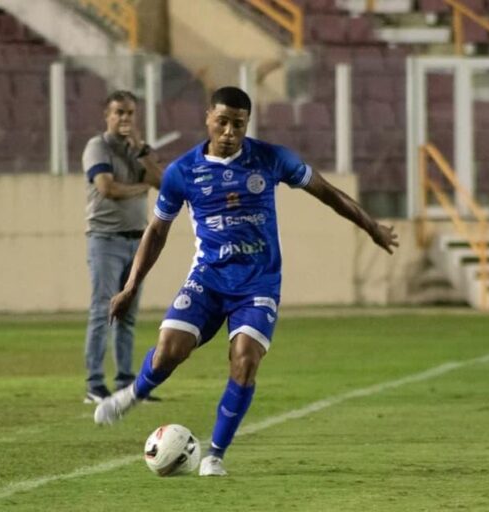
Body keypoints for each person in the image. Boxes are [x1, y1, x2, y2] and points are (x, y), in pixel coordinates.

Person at [94, 86, 399, 476]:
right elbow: (156, 231)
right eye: (221, 122)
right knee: (170, 348)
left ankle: (215, 455)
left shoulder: (270, 159)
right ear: (207, 118)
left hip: (258, 284)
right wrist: (130, 286)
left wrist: (370, 226)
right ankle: (133, 394)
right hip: (208, 279)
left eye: (238, 124)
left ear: (247, 125)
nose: (228, 132)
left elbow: (326, 192)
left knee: (245, 360)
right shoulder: (183, 172)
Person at [81, 90, 163, 404]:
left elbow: (163, 182)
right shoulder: (97, 146)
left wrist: (141, 150)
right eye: (119, 113)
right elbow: (107, 188)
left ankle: (127, 381)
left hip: (137, 239)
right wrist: (142, 186)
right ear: (107, 116)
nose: (125, 119)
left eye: (130, 113)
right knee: (103, 310)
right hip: (105, 238)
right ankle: (94, 383)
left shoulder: (140, 149)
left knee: (127, 314)